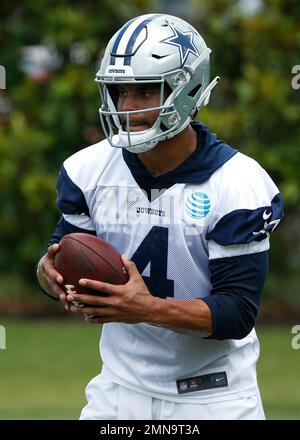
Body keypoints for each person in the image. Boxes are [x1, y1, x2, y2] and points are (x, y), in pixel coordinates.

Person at [36, 13, 283, 420]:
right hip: (117, 392)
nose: (127, 107)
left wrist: (147, 308)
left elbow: (237, 312)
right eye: (119, 92)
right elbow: (61, 255)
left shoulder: (237, 183)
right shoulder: (88, 170)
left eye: (146, 91)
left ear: (190, 89)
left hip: (213, 396)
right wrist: (51, 275)